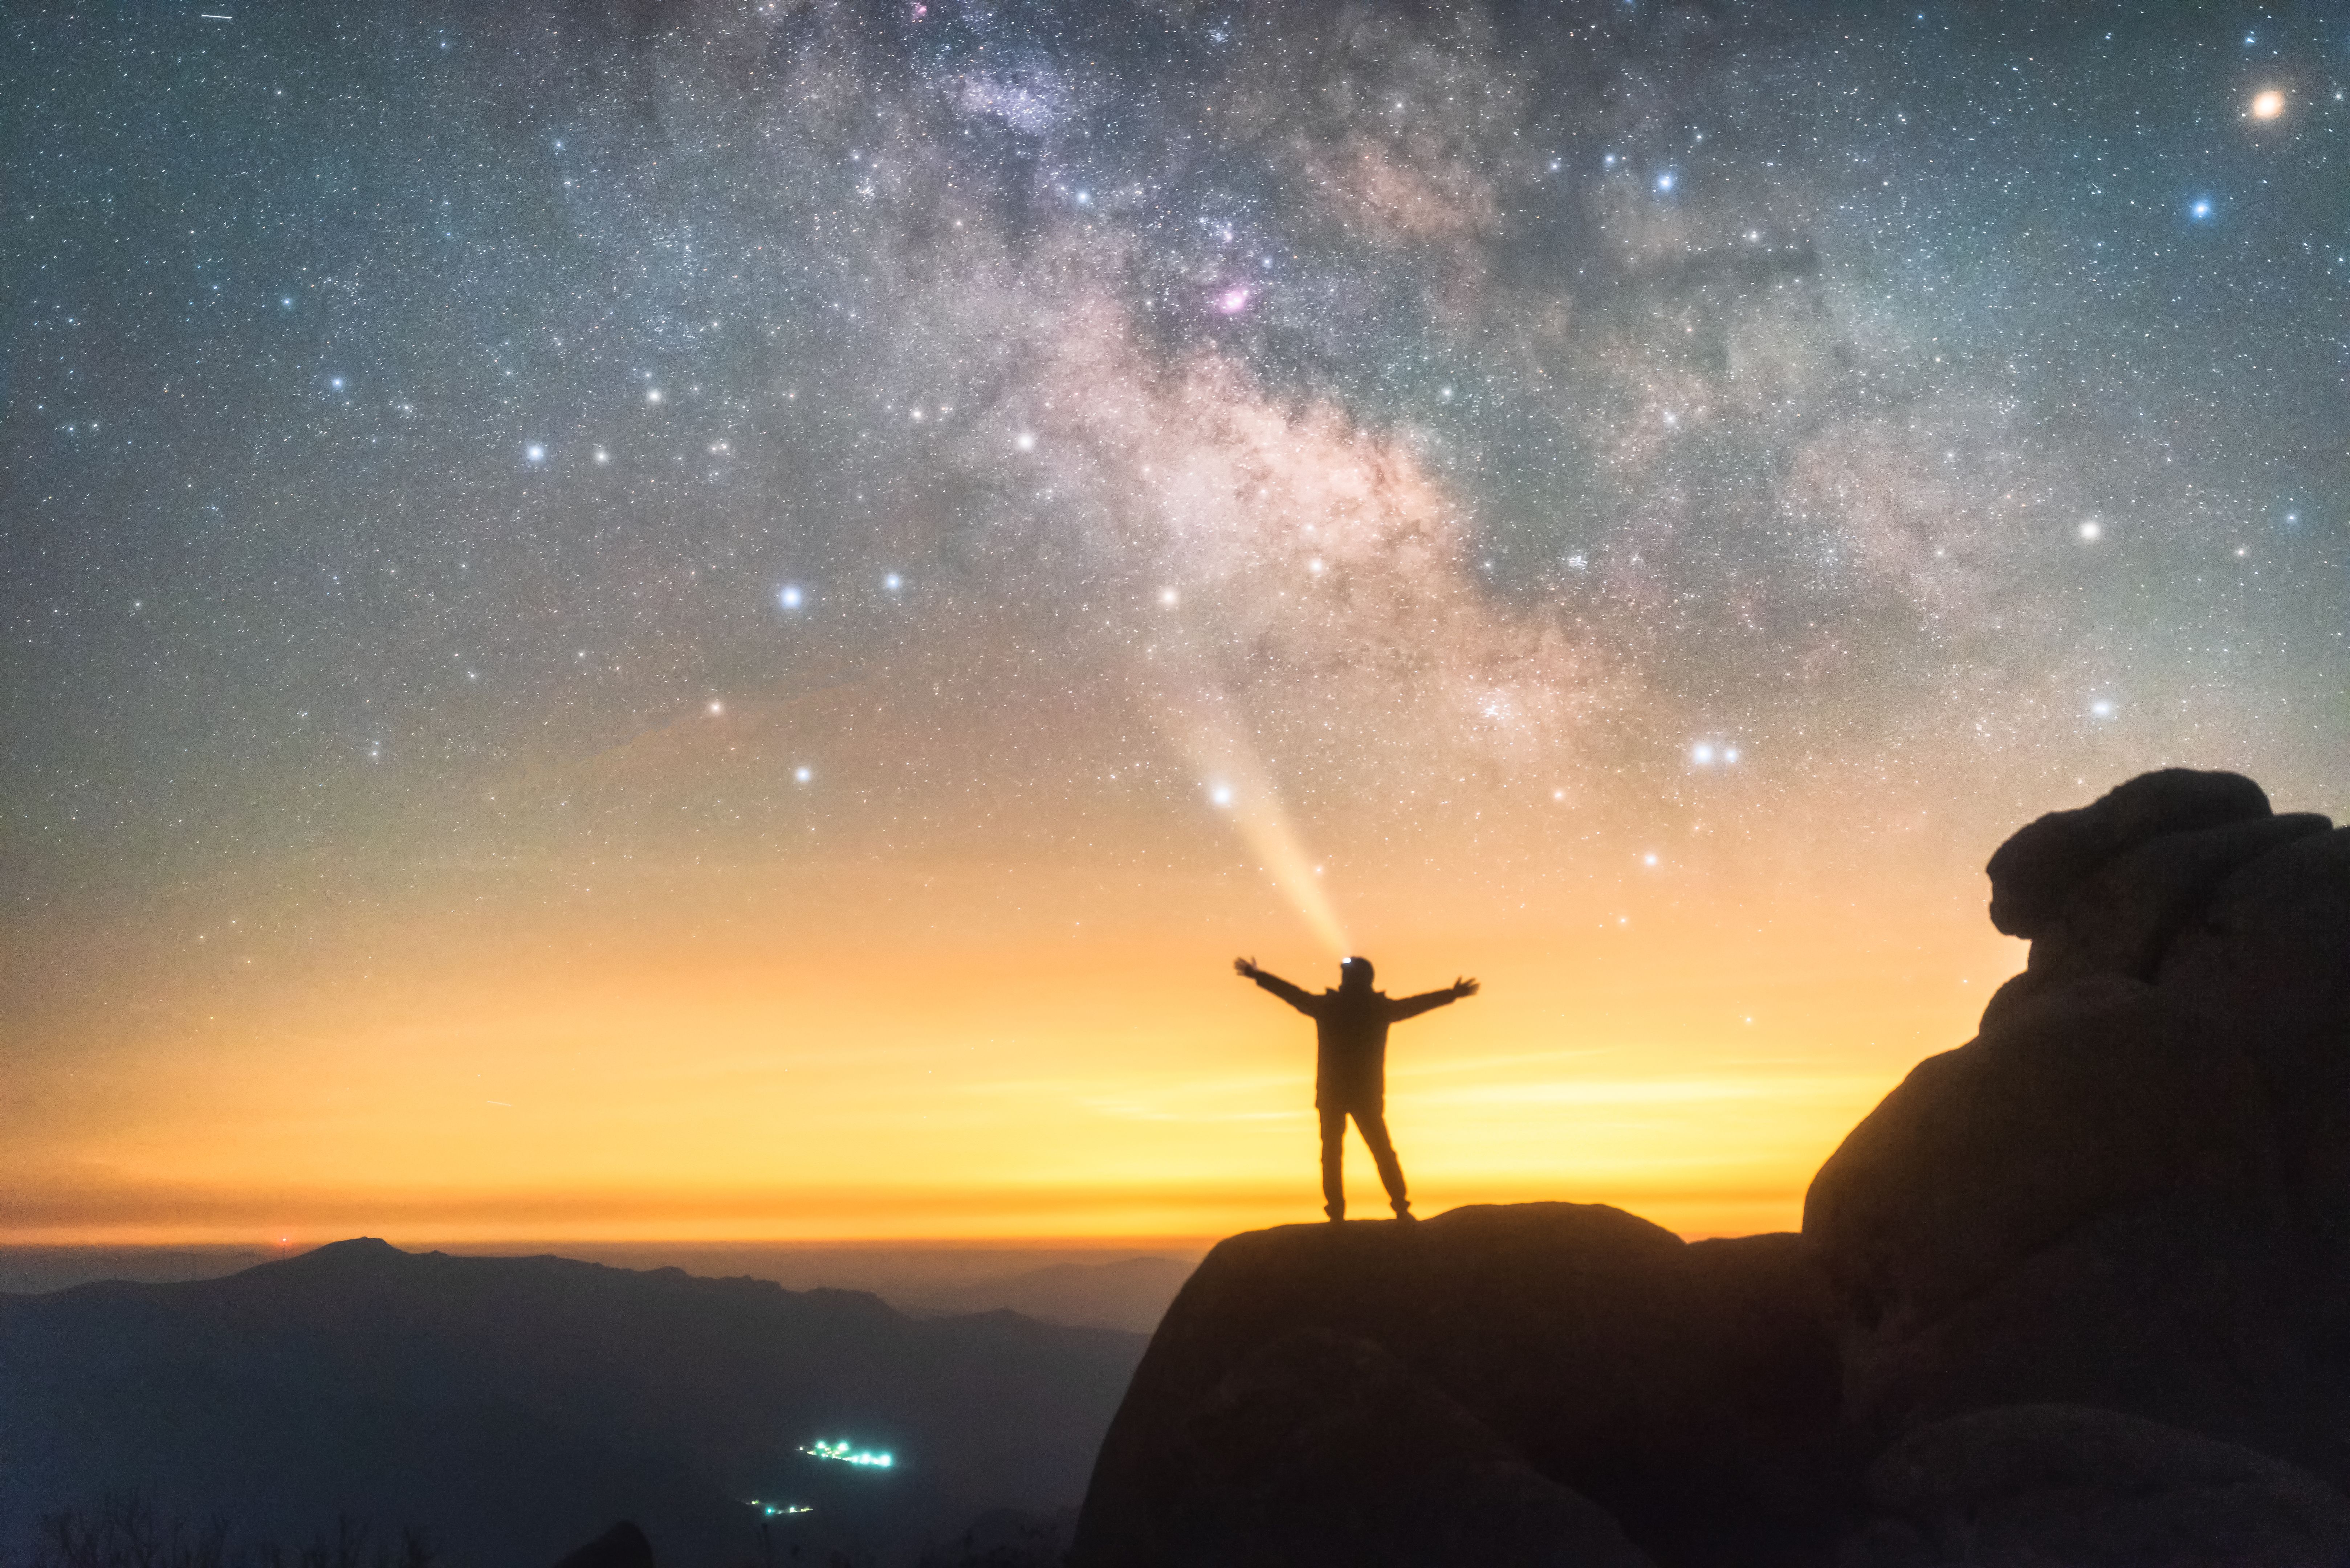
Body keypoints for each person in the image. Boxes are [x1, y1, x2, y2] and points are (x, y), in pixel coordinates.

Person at [1234, 954, 1478, 1222]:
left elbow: (1293, 995)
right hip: (1363, 1095)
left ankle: (1342, 1212)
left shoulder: (1331, 1007)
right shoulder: (1376, 1008)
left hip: (1334, 1095)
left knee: (1338, 1154)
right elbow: (1415, 1005)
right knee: (1376, 1150)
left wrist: (1258, 976)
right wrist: (1451, 994)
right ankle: (1397, 1207)